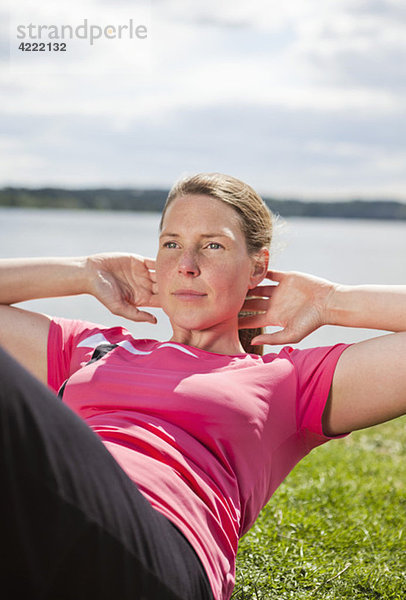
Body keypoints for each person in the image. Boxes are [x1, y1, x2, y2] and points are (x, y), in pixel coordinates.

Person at [0, 172, 405, 600]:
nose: (186, 264)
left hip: (159, 552)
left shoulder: (291, 380)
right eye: (171, 243)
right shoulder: (94, 349)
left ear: (257, 268)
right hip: (48, 521)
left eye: (213, 245)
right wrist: (83, 272)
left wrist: (331, 302)